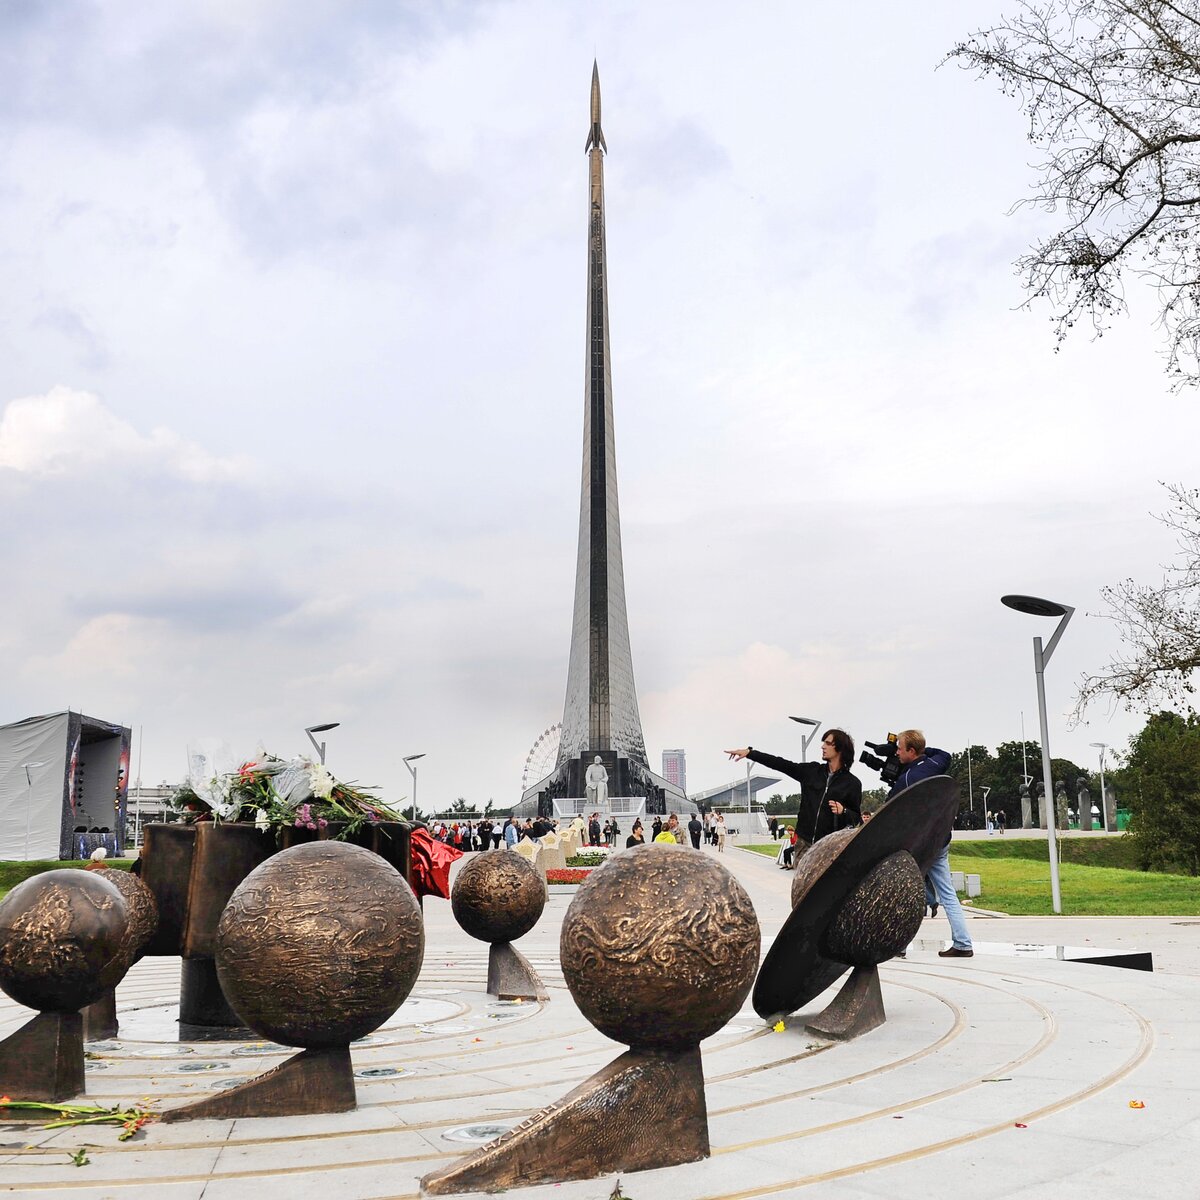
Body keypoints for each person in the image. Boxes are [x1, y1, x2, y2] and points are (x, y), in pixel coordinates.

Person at [889, 729, 972, 959]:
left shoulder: (906, 779)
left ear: (911, 751)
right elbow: (944, 754)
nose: (896, 752)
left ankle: (899, 946)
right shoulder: (935, 764)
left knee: (907, 895)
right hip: (940, 841)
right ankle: (963, 943)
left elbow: (888, 809)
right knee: (948, 894)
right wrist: (923, 751)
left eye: (899, 748)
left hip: (919, 845)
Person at [726, 730, 861, 853]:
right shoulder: (812, 771)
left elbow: (856, 819)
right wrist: (750, 753)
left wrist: (843, 811)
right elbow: (781, 764)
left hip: (830, 847)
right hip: (804, 844)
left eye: (828, 743)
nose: (823, 746)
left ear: (840, 749)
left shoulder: (852, 783)